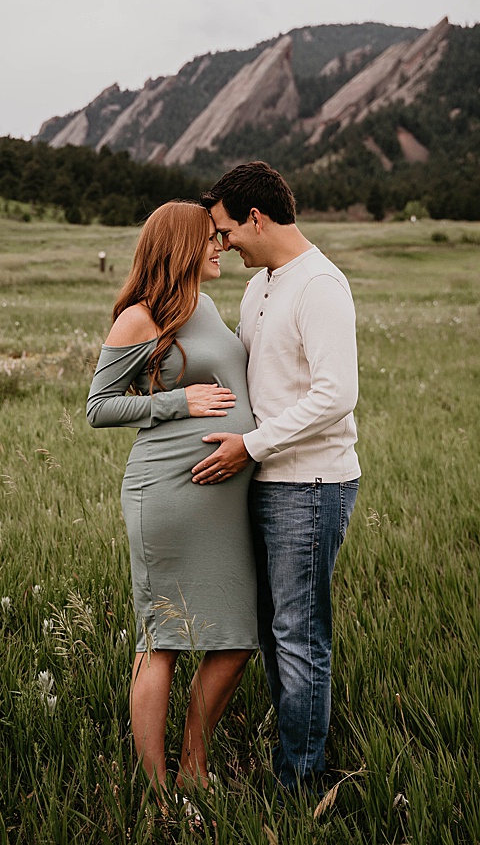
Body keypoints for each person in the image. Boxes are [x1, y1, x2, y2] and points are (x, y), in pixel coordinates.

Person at [191, 161, 361, 797]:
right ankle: (296, 752)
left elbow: (336, 394)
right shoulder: (261, 284)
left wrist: (251, 445)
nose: (222, 242)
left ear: (255, 218)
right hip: (265, 481)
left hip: (310, 486)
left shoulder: (319, 285)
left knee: (298, 634)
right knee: (270, 631)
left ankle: (300, 784)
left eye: (225, 230)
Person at [86, 200, 257, 800]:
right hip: (166, 493)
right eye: (211, 240)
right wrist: (176, 404)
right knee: (162, 639)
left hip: (222, 502)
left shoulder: (206, 305)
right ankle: (159, 790)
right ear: (183, 247)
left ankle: (194, 760)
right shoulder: (141, 318)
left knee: (236, 638)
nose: (221, 247)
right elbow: (98, 407)